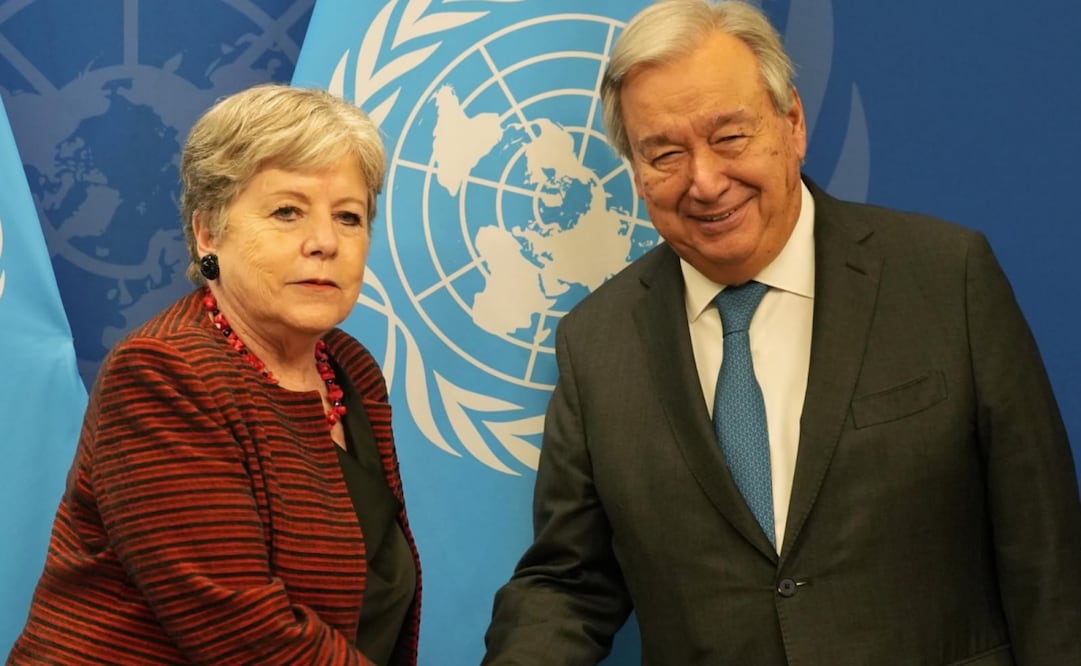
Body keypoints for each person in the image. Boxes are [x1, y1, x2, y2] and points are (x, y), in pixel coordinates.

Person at [482, 1, 1081, 663]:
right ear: (636, 173)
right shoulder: (596, 343)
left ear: (791, 123)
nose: (704, 182)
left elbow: (1046, 554)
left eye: (729, 137)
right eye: (664, 154)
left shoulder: (946, 278)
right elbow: (570, 581)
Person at [8, 84, 420, 665]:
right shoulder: (162, 375)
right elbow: (247, 637)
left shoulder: (350, 368)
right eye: (287, 211)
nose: (325, 242)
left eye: (349, 217)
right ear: (208, 234)